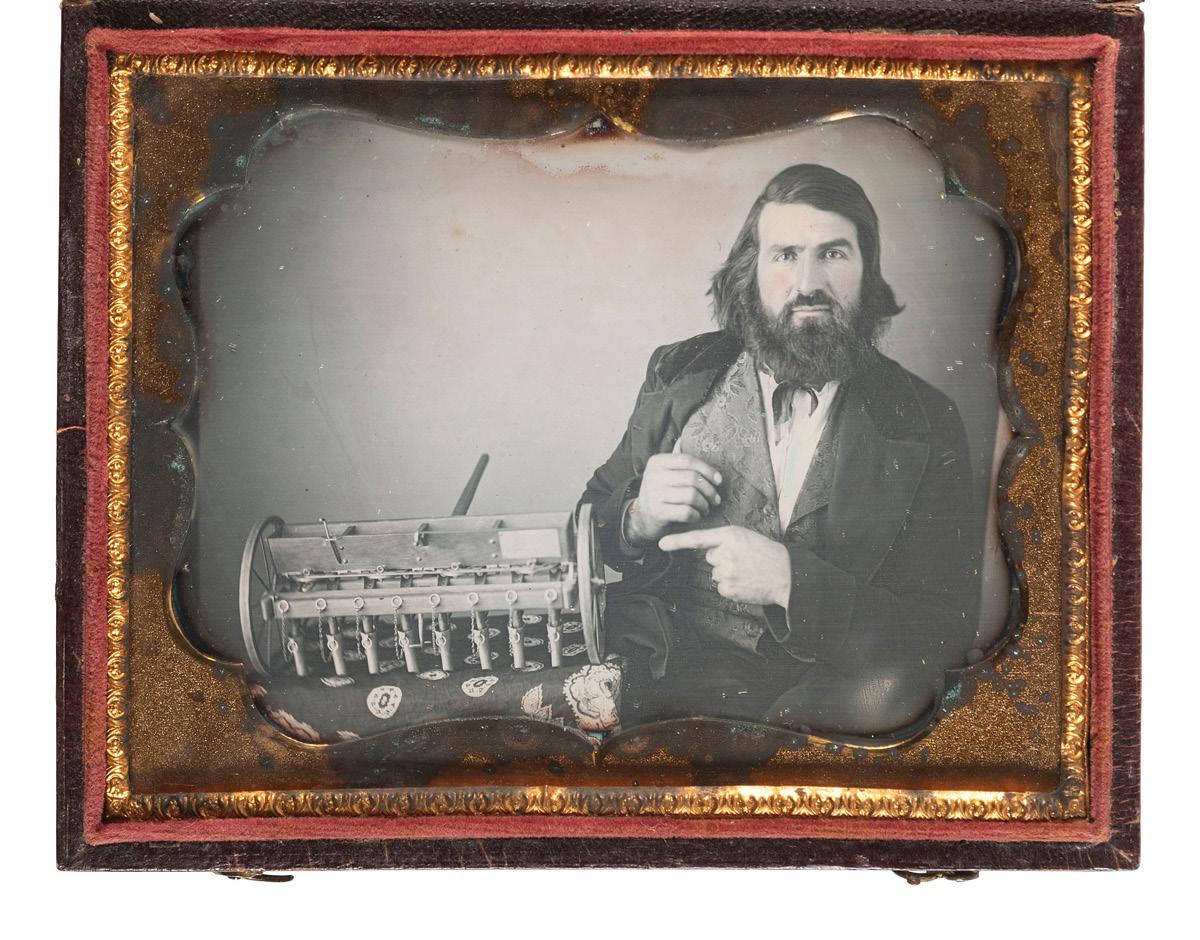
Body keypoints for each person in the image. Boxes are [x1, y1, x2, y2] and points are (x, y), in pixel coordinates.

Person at [580, 164, 982, 737]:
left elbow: (943, 633)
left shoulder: (926, 420)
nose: (808, 283)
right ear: (751, 272)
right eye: (786, 255)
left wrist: (794, 584)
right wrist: (636, 517)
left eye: (833, 254)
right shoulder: (679, 371)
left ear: (867, 271)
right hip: (665, 673)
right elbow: (586, 528)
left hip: (823, 702)